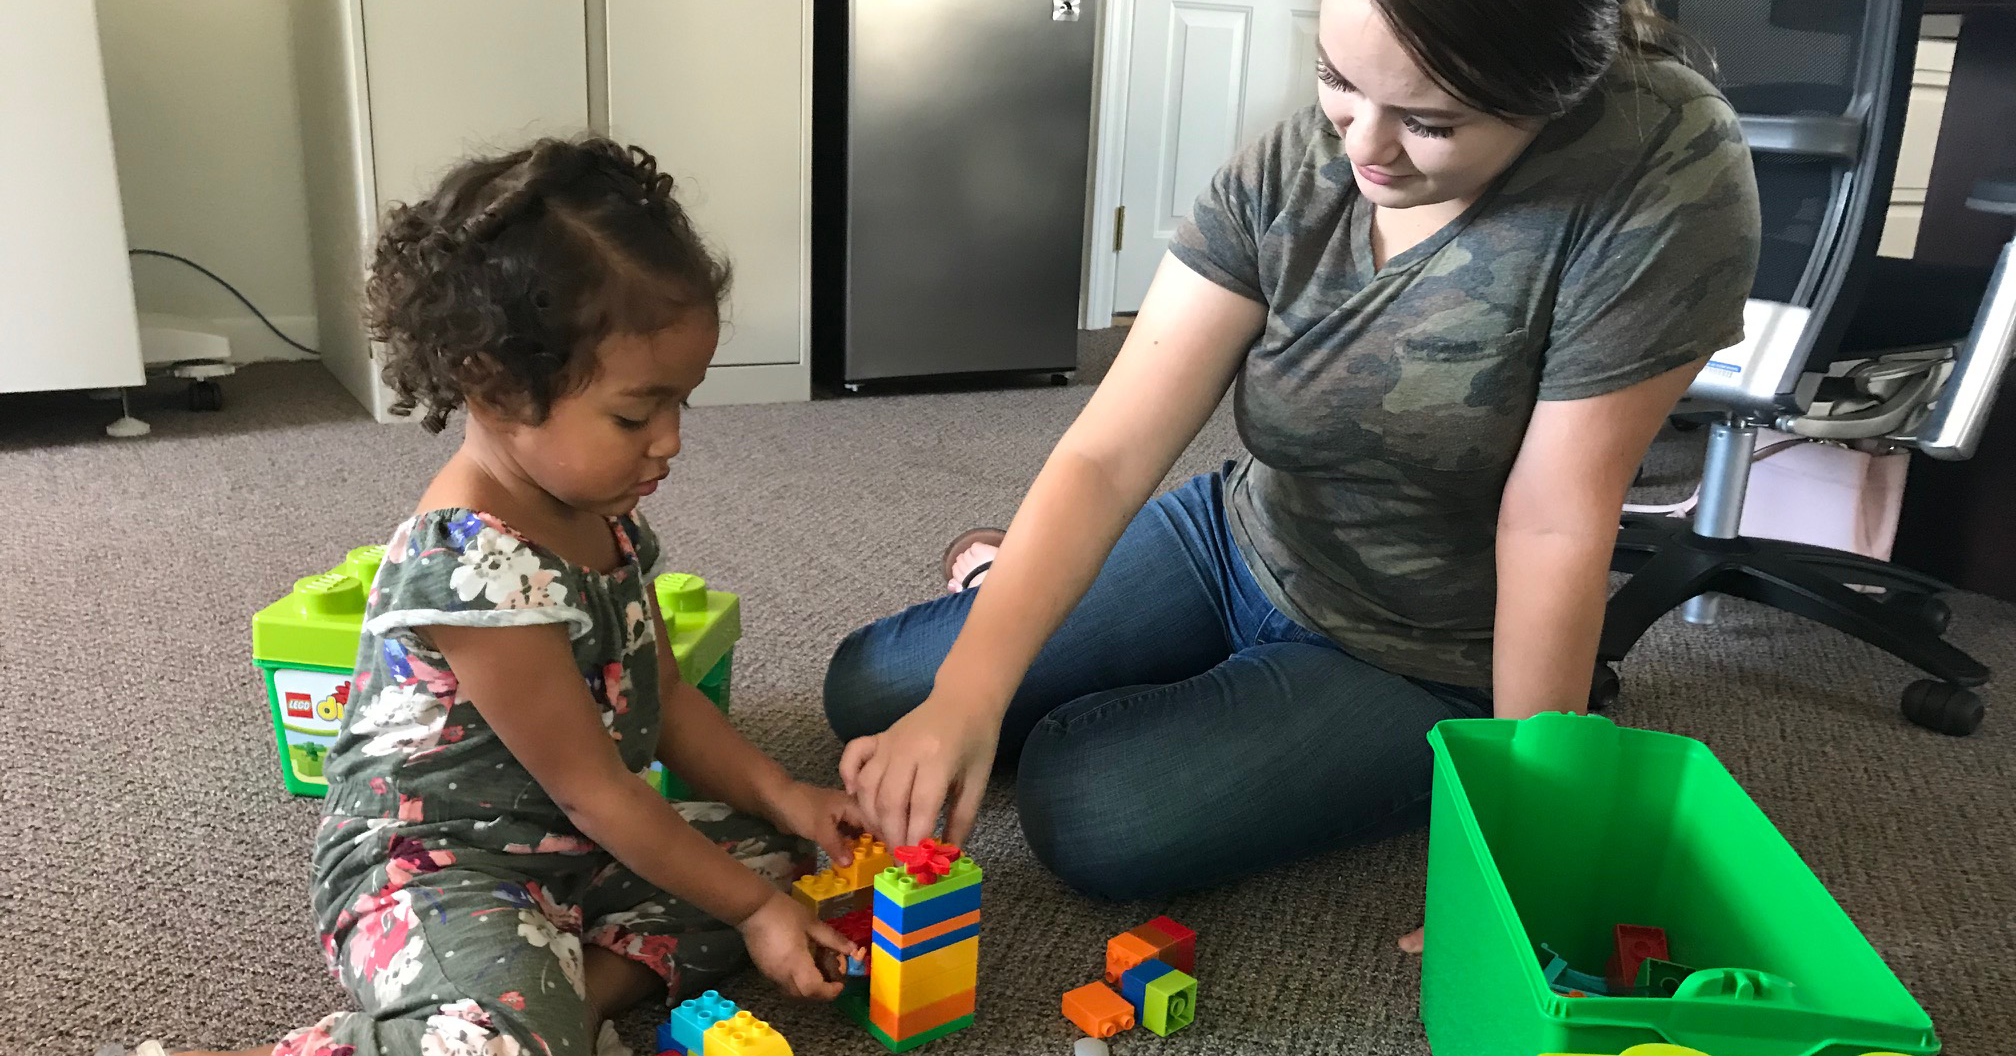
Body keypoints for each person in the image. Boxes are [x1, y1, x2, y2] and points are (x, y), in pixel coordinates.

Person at [824, 0, 1761, 946]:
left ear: (1551, 96)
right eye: (1338, 82)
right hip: (1246, 537)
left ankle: (1411, 730)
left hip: (1424, 650)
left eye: (1430, 122)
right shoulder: (1296, 165)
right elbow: (1109, 453)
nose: (1369, 148)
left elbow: (1554, 519)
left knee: (1091, 811)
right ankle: (1055, 618)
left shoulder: (1664, 162)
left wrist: (1520, 828)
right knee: (880, 691)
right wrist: (968, 696)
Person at [110, 138, 861, 1056]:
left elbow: (659, 697)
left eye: (682, 405)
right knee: (551, 1013)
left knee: (777, 862)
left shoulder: (607, 515)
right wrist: (748, 913)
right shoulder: (471, 564)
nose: (669, 441)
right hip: (434, 872)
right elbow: (595, 792)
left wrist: (789, 799)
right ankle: (474, 1020)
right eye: (635, 414)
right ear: (498, 386)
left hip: (567, 854)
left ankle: (564, 1000)